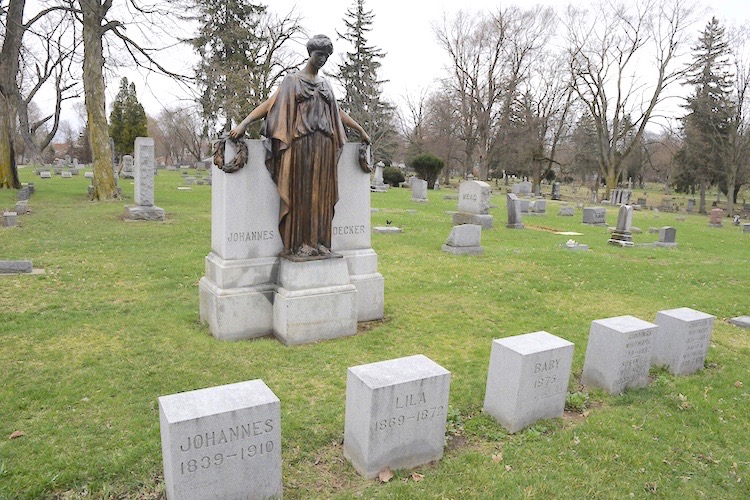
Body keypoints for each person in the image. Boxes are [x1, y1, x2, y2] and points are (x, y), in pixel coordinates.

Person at [229, 34, 370, 259]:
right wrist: (244, 123)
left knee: (322, 195)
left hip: (325, 145)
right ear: (310, 53)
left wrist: (360, 130)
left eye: (326, 56)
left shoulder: (326, 85)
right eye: (318, 55)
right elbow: (270, 104)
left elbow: (338, 113)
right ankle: (303, 242)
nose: (322, 59)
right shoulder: (292, 81)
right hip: (301, 144)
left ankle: (321, 241)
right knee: (303, 194)